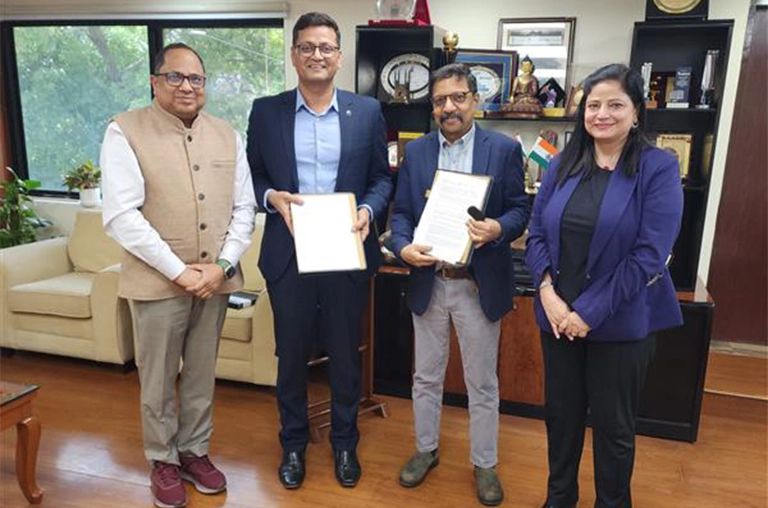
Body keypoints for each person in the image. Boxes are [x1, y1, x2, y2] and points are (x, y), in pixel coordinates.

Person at [100, 43, 256, 508]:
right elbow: (122, 215)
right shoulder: (124, 130)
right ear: (155, 81)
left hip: (215, 280)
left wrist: (222, 266)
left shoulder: (227, 134)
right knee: (157, 377)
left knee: (201, 374)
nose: (187, 86)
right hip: (157, 283)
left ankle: (194, 451)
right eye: (175, 77)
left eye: (196, 78)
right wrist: (179, 271)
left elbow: (245, 208)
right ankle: (162, 459)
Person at [525, 63, 684, 508]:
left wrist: (587, 313)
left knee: (613, 432)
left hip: (620, 321)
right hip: (558, 318)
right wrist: (547, 292)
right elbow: (536, 236)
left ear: (636, 111)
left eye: (615, 104)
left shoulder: (658, 167)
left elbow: (650, 254)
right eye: (593, 105)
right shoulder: (562, 163)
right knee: (561, 420)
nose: (602, 114)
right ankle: (559, 499)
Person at [246, 12, 392, 490]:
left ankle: (345, 442)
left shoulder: (366, 112)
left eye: (325, 47)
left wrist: (368, 210)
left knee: (345, 356)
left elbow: (380, 179)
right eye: (307, 47)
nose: (316, 55)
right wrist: (272, 198)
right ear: (293, 55)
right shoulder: (265, 111)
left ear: (339, 56)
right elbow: (253, 176)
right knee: (290, 355)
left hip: (346, 248)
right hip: (288, 253)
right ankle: (293, 443)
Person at [389, 63, 530, 506]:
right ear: (432, 108)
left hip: (476, 283)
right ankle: (425, 449)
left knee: (481, 382)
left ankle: (484, 463)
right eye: (439, 101)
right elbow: (401, 213)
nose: (448, 107)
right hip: (429, 279)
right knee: (426, 376)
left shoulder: (503, 150)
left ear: (475, 100)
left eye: (458, 97)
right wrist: (402, 246)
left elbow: (520, 209)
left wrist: (497, 228)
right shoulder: (416, 152)